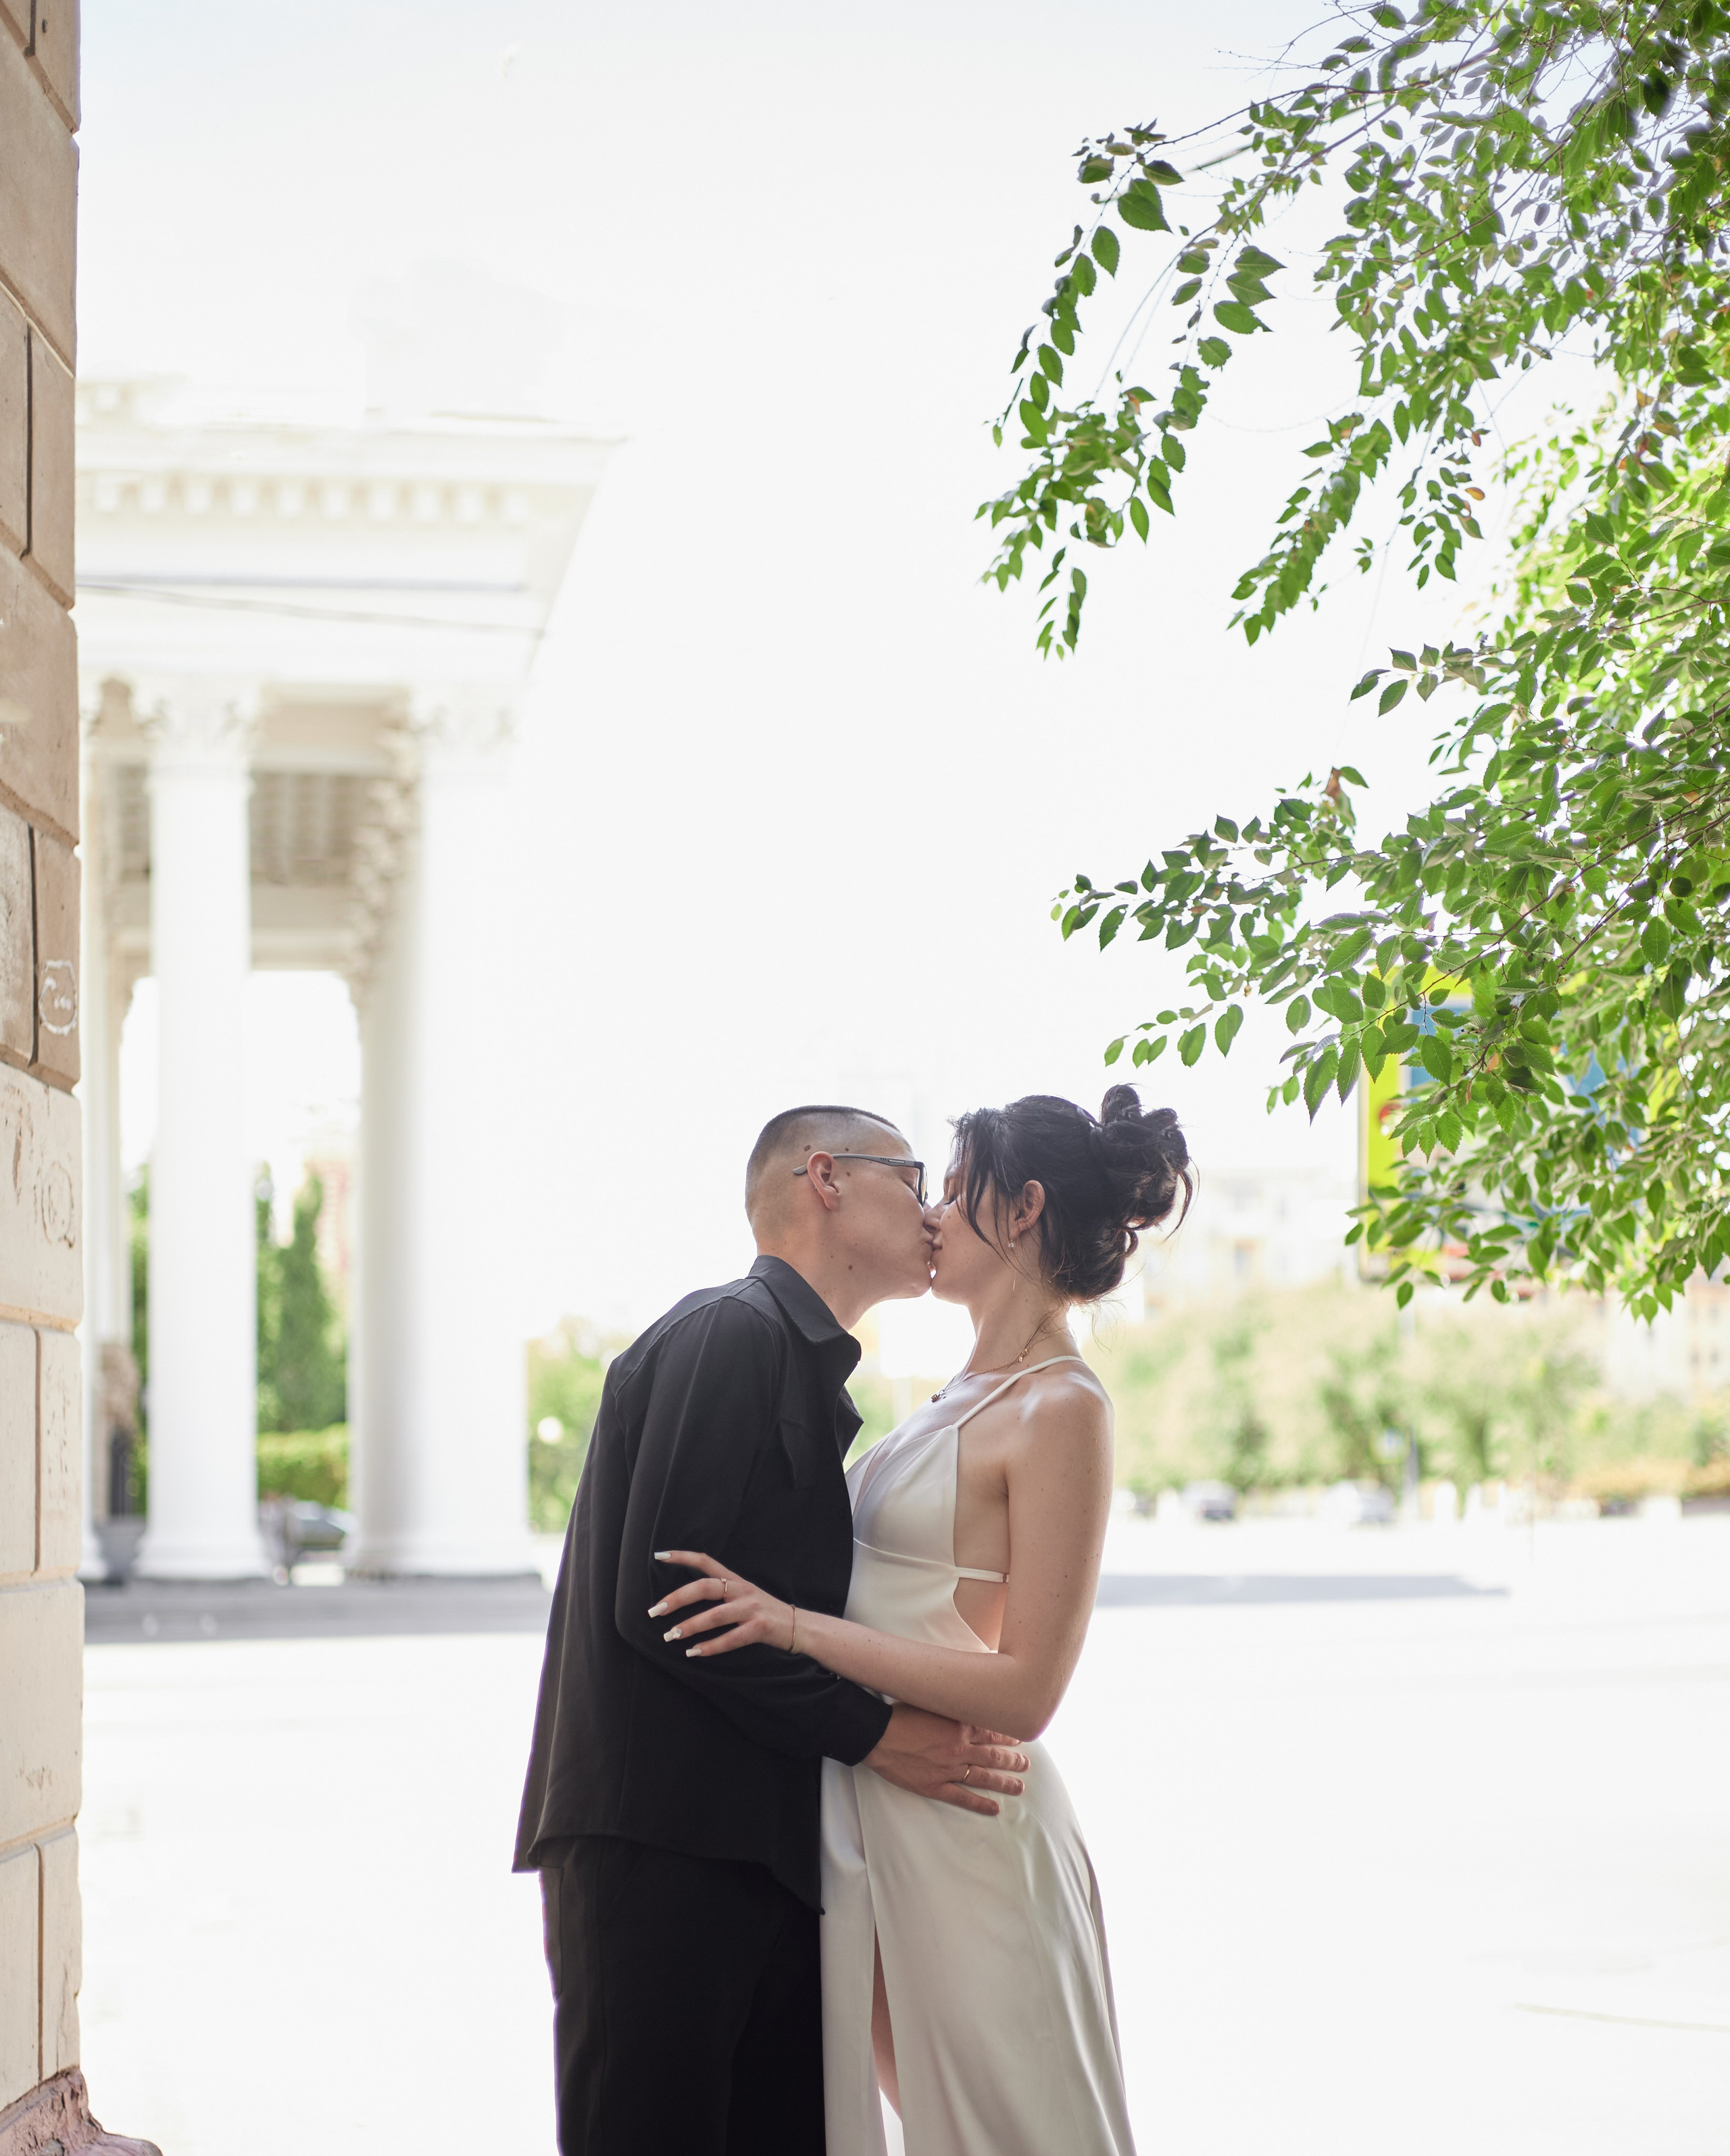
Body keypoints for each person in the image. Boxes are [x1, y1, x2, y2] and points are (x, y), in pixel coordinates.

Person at [651, 1084, 1192, 2156]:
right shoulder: (949, 1395)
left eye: (953, 1190)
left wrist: (791, 1628)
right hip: (880, 1810)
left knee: (1019, 2133)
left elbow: (1028, 1689)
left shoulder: (1063, 1408)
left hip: (971, 1818)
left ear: (1024, 1208)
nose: (932, 1216)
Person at [514, 1103, 1032, 2156]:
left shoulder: (796, 1364)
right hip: (658, 1853)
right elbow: (668, 1605)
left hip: (764, 1858)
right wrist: (881, 1736)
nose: (935, 1209)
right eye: (914, 1176)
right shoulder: (729, 1334)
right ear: (826, 1178)